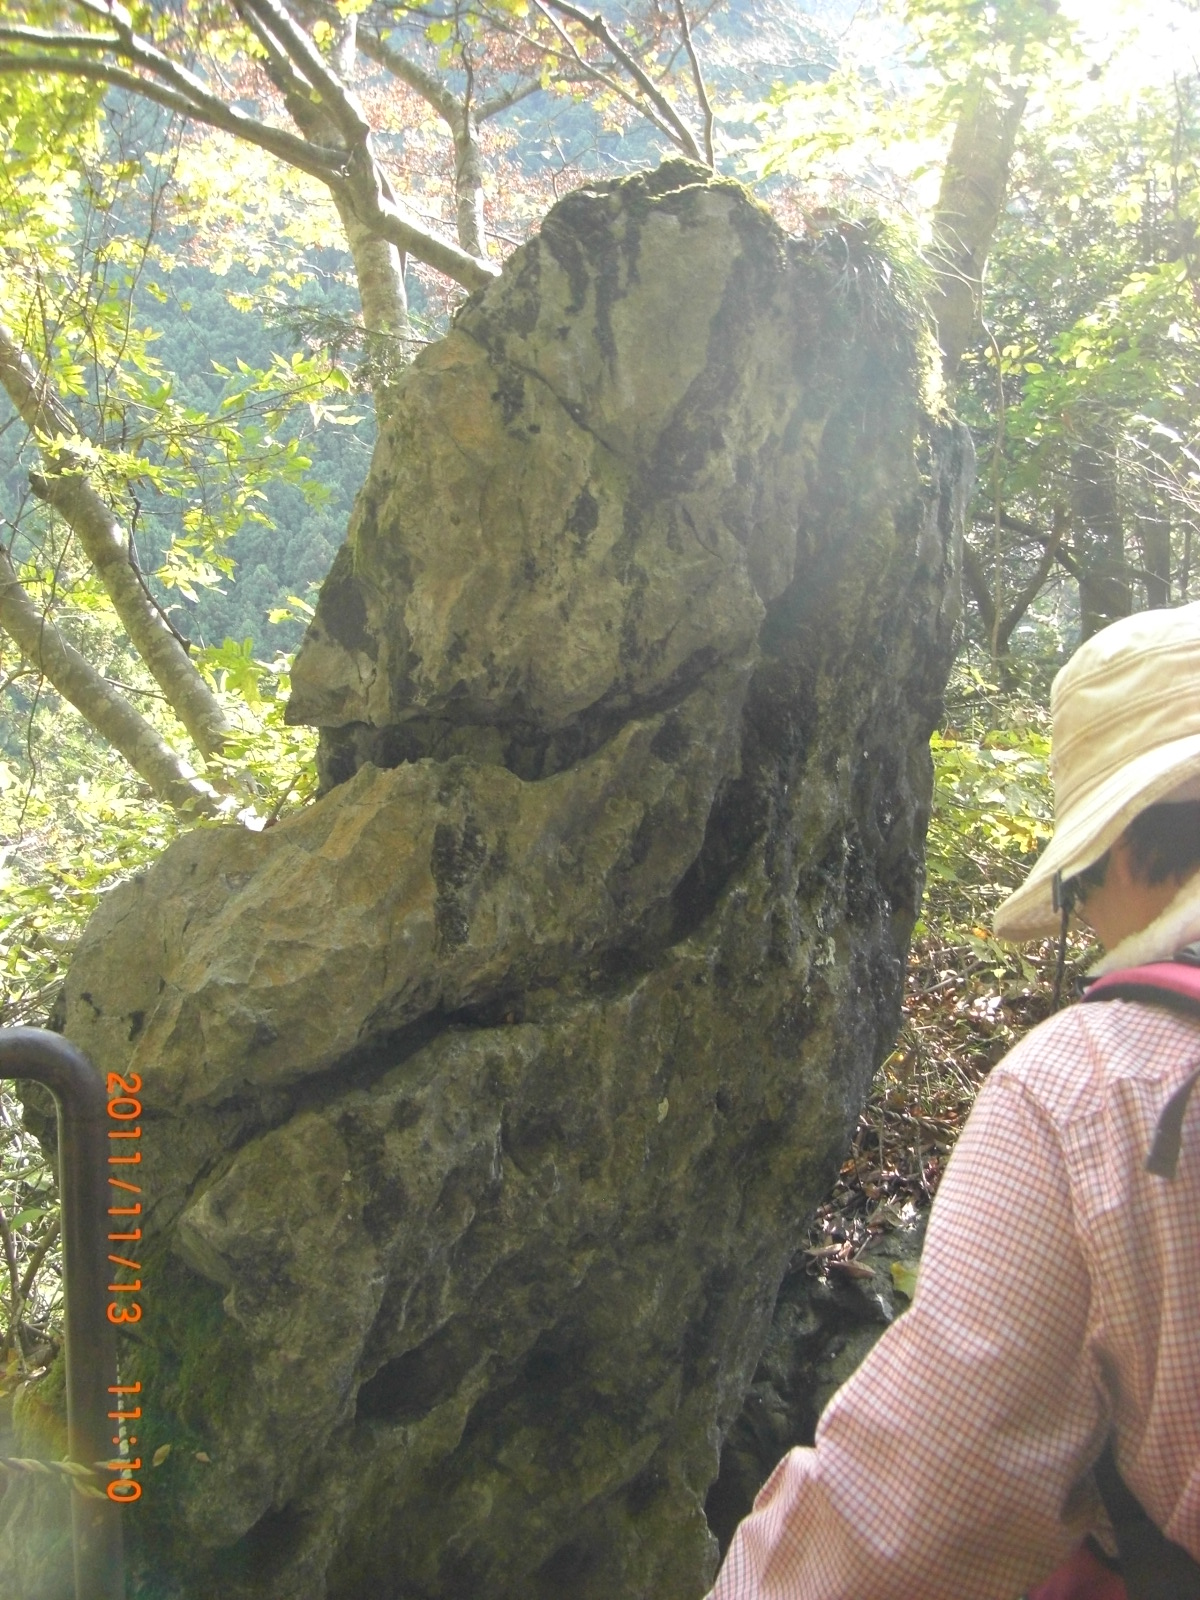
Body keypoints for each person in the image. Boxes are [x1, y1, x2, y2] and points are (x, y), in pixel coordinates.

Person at [705, 601, 1200, 1600]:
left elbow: (918, 1515)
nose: (1086, 923)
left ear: (1125, 846)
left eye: (1075, 889)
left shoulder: (1091, 1087)